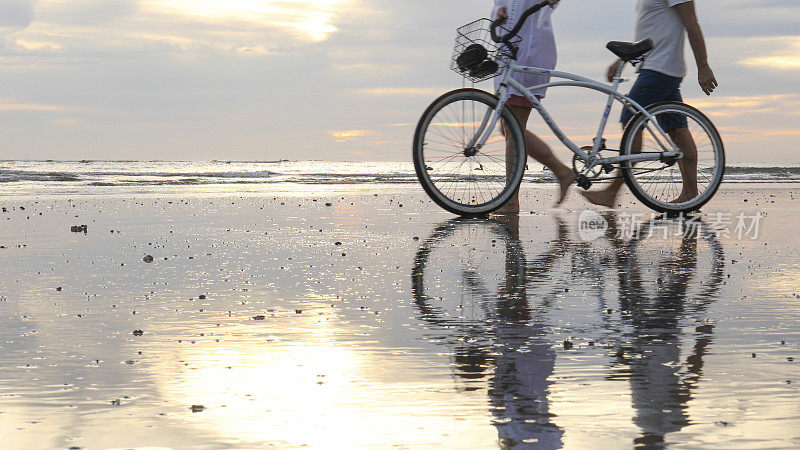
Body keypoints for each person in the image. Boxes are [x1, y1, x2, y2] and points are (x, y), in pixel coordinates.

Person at [582, 0, 718, 208]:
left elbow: (692, 23)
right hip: (659, 67)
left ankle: (612, 192)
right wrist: (622, 60)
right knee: (677, 130)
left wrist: (704, 66)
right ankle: (691, 193)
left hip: (659, 70)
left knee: (631, 123)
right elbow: (653, 31)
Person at [493, 0, 576, 214]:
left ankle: (510, 200)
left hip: (529, 51)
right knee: (508, 128)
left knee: (513, 128)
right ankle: (562, 172)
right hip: (510, 52)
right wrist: (500, 11)